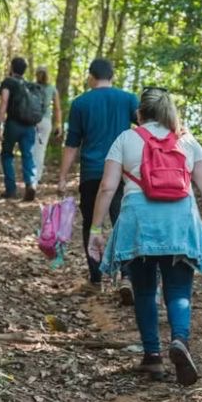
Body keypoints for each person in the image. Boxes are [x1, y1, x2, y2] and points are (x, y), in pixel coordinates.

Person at [88, 88, 202, 386]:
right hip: (180, 220)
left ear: (139, 114)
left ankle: (152, 356)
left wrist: (96, 230)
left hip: (139, 221)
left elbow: (107, 188)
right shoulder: (186, 141)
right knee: (178, 289)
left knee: (145, 291)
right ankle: (179, 340)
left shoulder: (125, 139)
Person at [58, 58, 139, 299]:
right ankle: (127, 276)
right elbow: (147, 128)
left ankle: (95, 278)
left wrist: (62, 177)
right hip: (122, 172)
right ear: (112, 76)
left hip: (92, 173)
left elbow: (72, 144)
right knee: (122, 222)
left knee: (91, 224)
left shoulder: (80, 103)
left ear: (91, 77)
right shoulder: (128, 99)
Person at [0, 57, 38, 201]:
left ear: (12, 67)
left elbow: (4, 102)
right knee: (28, 155)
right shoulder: (30, 85)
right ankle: (30, 184)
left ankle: (11, 189)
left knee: (7, 154)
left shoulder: (8, 82)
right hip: (30, 125)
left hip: (13, 124)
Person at [31, 66, 63, 187]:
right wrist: (58, 125)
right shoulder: (52, 88)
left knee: (31, 148)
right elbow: (57, 108)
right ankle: (36, 177)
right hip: (45, 121)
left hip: (32, 121)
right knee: (41, 149)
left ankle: (30, 175)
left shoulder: (31, 87)